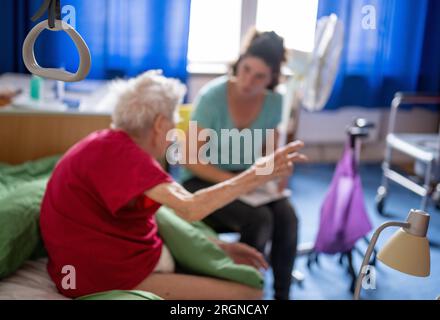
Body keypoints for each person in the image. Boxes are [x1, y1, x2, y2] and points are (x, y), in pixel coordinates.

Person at [40, 70, 306, 300]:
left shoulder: (110, 144)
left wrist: (216, 245)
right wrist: (256, 174)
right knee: (250, 293)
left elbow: (160, 217)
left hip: (96, 260)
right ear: (159, 124)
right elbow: (189, 209)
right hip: (98, 275)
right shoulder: (127, 158)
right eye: (175, 124)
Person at [181, 29, 299, 300]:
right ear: (238, 63)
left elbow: (270, 156)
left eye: (259, 76)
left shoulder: (275, 102)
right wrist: (235, 183)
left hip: (246, 181)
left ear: (271, 79)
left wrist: (279, 173)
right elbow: (190, 159)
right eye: (245, 69)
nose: (248, 81)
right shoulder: (212, 96)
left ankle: (282, 294)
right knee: (260, 219)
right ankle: (240, 292)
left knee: (288, 217)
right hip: (203, 179)